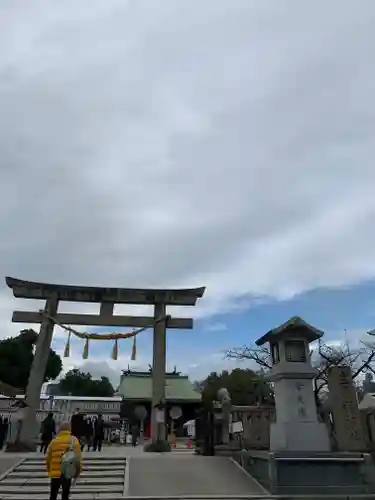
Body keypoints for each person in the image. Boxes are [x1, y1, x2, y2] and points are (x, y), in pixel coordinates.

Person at [45, 421, 82, 500]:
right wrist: (77, 473)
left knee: (53, 496)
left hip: (55, 474)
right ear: (69, 429)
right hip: (67, 473)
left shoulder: (54, 441)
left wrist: (49, 471)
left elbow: (48, 458)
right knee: (65, 496)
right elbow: (78, 458)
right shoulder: (74, 440)